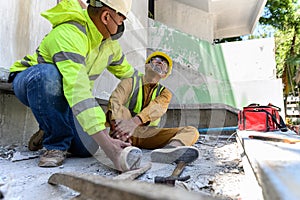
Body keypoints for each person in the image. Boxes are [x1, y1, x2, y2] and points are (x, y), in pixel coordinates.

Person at [8, 0, 142, 171]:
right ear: (106, 16)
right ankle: (55, 144)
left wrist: (133, 115)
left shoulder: (109, 46)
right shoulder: (70, 32)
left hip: (65, 95)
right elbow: (78, 89)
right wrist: (109, 147)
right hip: (32, 81)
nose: (122, 26)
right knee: (48, 76)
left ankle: (49, 126)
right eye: (121, 19)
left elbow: (130, 76)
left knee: (88, 147)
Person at [106, 51, 200, 164]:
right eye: (156, 59)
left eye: (164, 63)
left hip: (148, 134)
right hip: (123, 131)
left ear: (165, 74)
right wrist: (120, 125)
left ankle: (171, 150)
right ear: (146, 65)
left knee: (191, 131)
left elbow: (156, 108)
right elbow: (115, 101)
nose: (160, 62)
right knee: (121, 109)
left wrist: (134, 122)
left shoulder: (165, 93)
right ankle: (123, 149)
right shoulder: (130, 82)